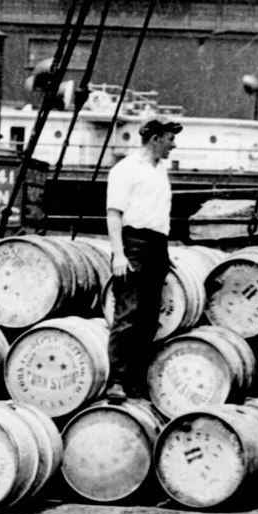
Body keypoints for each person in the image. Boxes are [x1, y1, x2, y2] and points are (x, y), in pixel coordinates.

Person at [104, 115, 182, 401]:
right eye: (170, 139)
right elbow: (114, 213)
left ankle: (135, 381)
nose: (173, 146)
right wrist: (119, 254)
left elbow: (156, 214)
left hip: (156, 246)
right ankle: (117, 381)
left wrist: (164, 251)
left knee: (150, 318)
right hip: (133, 243)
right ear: (155, 139)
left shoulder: (160, 170)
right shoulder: (126, 169)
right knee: (128, 314)